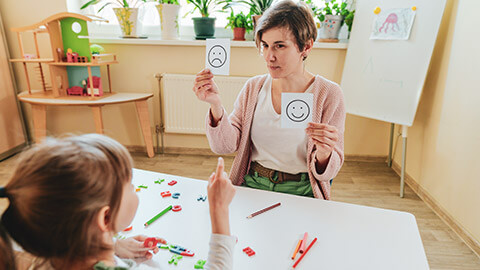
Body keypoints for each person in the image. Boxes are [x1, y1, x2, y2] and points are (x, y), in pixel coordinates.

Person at [0, 134, 236, 269]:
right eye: (130, 185)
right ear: (104, 217)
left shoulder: (48, 252)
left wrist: (111, 245)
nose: (134, 189)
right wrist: (219, 210)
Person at [193, 0, 345, 200]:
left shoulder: (329, 94)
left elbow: (328, 172)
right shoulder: (253, 88)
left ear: (306, 47)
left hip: (302, 192)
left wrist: (325, 153)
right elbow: (224, 147)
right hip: (252, 184)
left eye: (279, 46)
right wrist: (215, 105)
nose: (269, 56)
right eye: (265, 45)